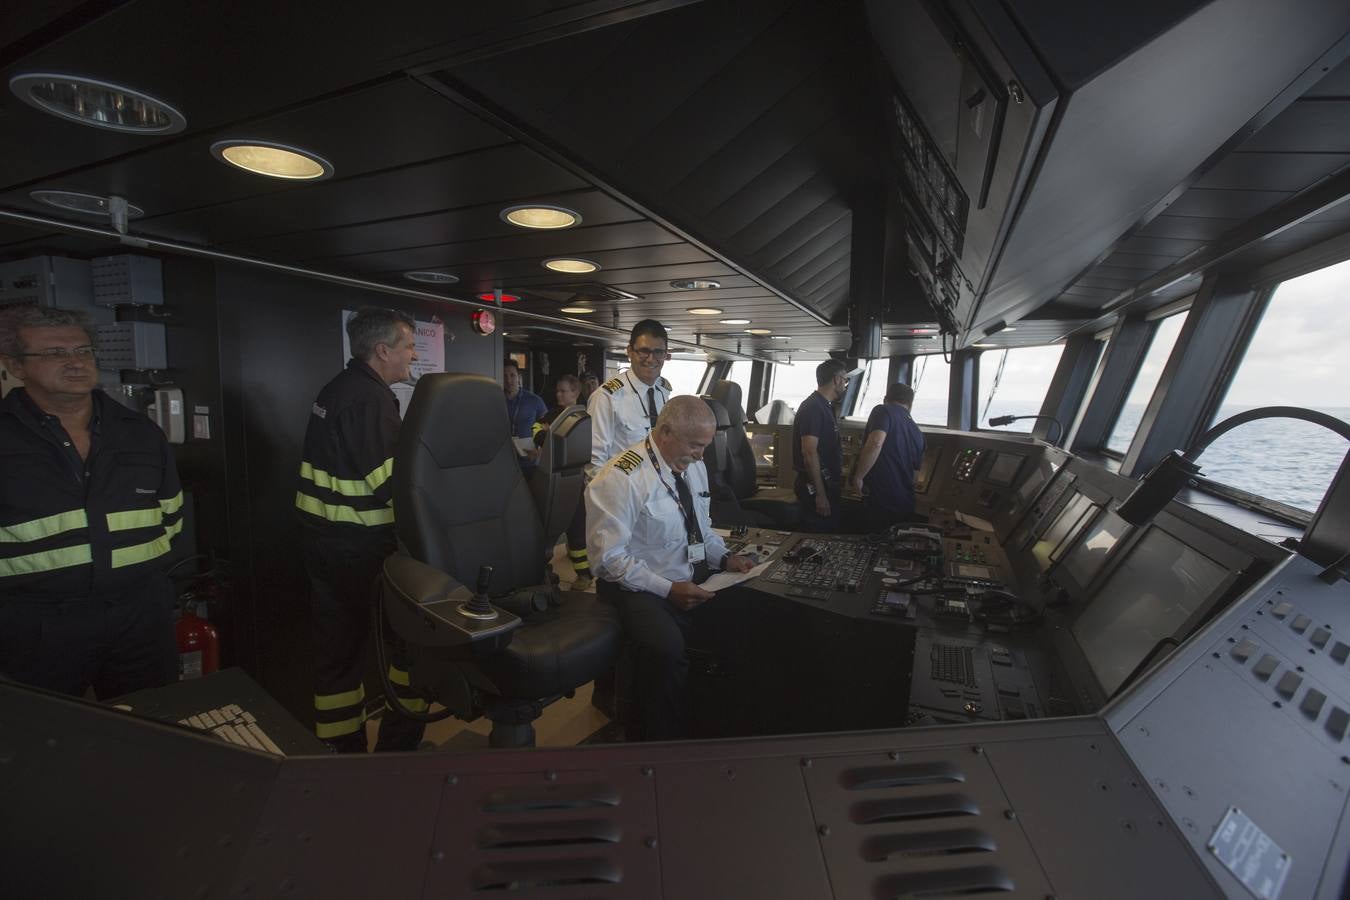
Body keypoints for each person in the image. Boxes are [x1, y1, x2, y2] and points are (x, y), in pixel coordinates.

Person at [0, 307, 181, 698]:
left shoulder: (140, 433)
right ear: (15, 365)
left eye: (83, 350)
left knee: (157, 728)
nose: (75, 362)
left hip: (140, 616)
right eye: (53, 353)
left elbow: (172, 516)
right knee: (45, 738)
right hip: (36, 622)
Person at [295, 307, 426, 753]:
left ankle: (342, 755)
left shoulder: (339, 388)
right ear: (383, 350)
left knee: (338, 658)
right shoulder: (369, 401)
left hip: (327, 546)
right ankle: (398, 754)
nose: (414, 353)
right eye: (408, 345)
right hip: (364, 552)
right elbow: (393, 486)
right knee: (409, 648)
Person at [586, 396, 755, 740]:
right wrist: (668, 590)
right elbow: (608, 560)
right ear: (665, 432)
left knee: (746, 614)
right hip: (636, 585)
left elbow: (702, 529)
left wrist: (723, 558)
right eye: (695, 445)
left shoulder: (692, 464)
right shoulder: (622, 477)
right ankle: (660, 740)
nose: (701, 455)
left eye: (705, 446)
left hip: (685, 572)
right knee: (668, 649)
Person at [587, 319, 672, 477]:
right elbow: (594, 462)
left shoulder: (663, 391)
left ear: (666, 354)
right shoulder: (606, 397)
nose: (651, 358)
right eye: (644, 351)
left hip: (659, 485)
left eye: (658, 352)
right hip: (622, 489)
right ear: (630, 352)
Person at [532, 374, 592, 589]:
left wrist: (551, 436)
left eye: (563, 391)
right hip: (552, 478)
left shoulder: (586, 416)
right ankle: (538, 571)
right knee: (547, 526)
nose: (558, 394)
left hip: (576, 479)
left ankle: (584, 574)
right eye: (557, 390)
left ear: (575, 393)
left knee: (577, 527)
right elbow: (536, 429)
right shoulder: (552, 414)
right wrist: (544, 436)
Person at [848, 382, 926, 533]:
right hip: (905, 503)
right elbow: (915, 476)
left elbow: (876, 442)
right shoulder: (918, 433)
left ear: (885, 399)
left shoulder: (882, 410)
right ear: (910, 405)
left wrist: (858, 477)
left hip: (881, 498)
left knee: (873, 543)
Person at [792, 359, 849, 532]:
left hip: (827, 484)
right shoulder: (814, 407)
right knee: (819, 536)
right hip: (816, 487)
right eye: (845, 380)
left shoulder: (825, 407)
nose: (845, 385)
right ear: (836, 379)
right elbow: (809, 452)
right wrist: (821, 494)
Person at [504, 359, 548, 470]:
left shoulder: (534, 401)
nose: (508, 380)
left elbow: (547, 430)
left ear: (519, 377)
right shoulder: (496, 400)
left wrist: (539, 450)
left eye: (512, 375)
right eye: (504, 376)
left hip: (529, 462)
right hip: (503, 462)